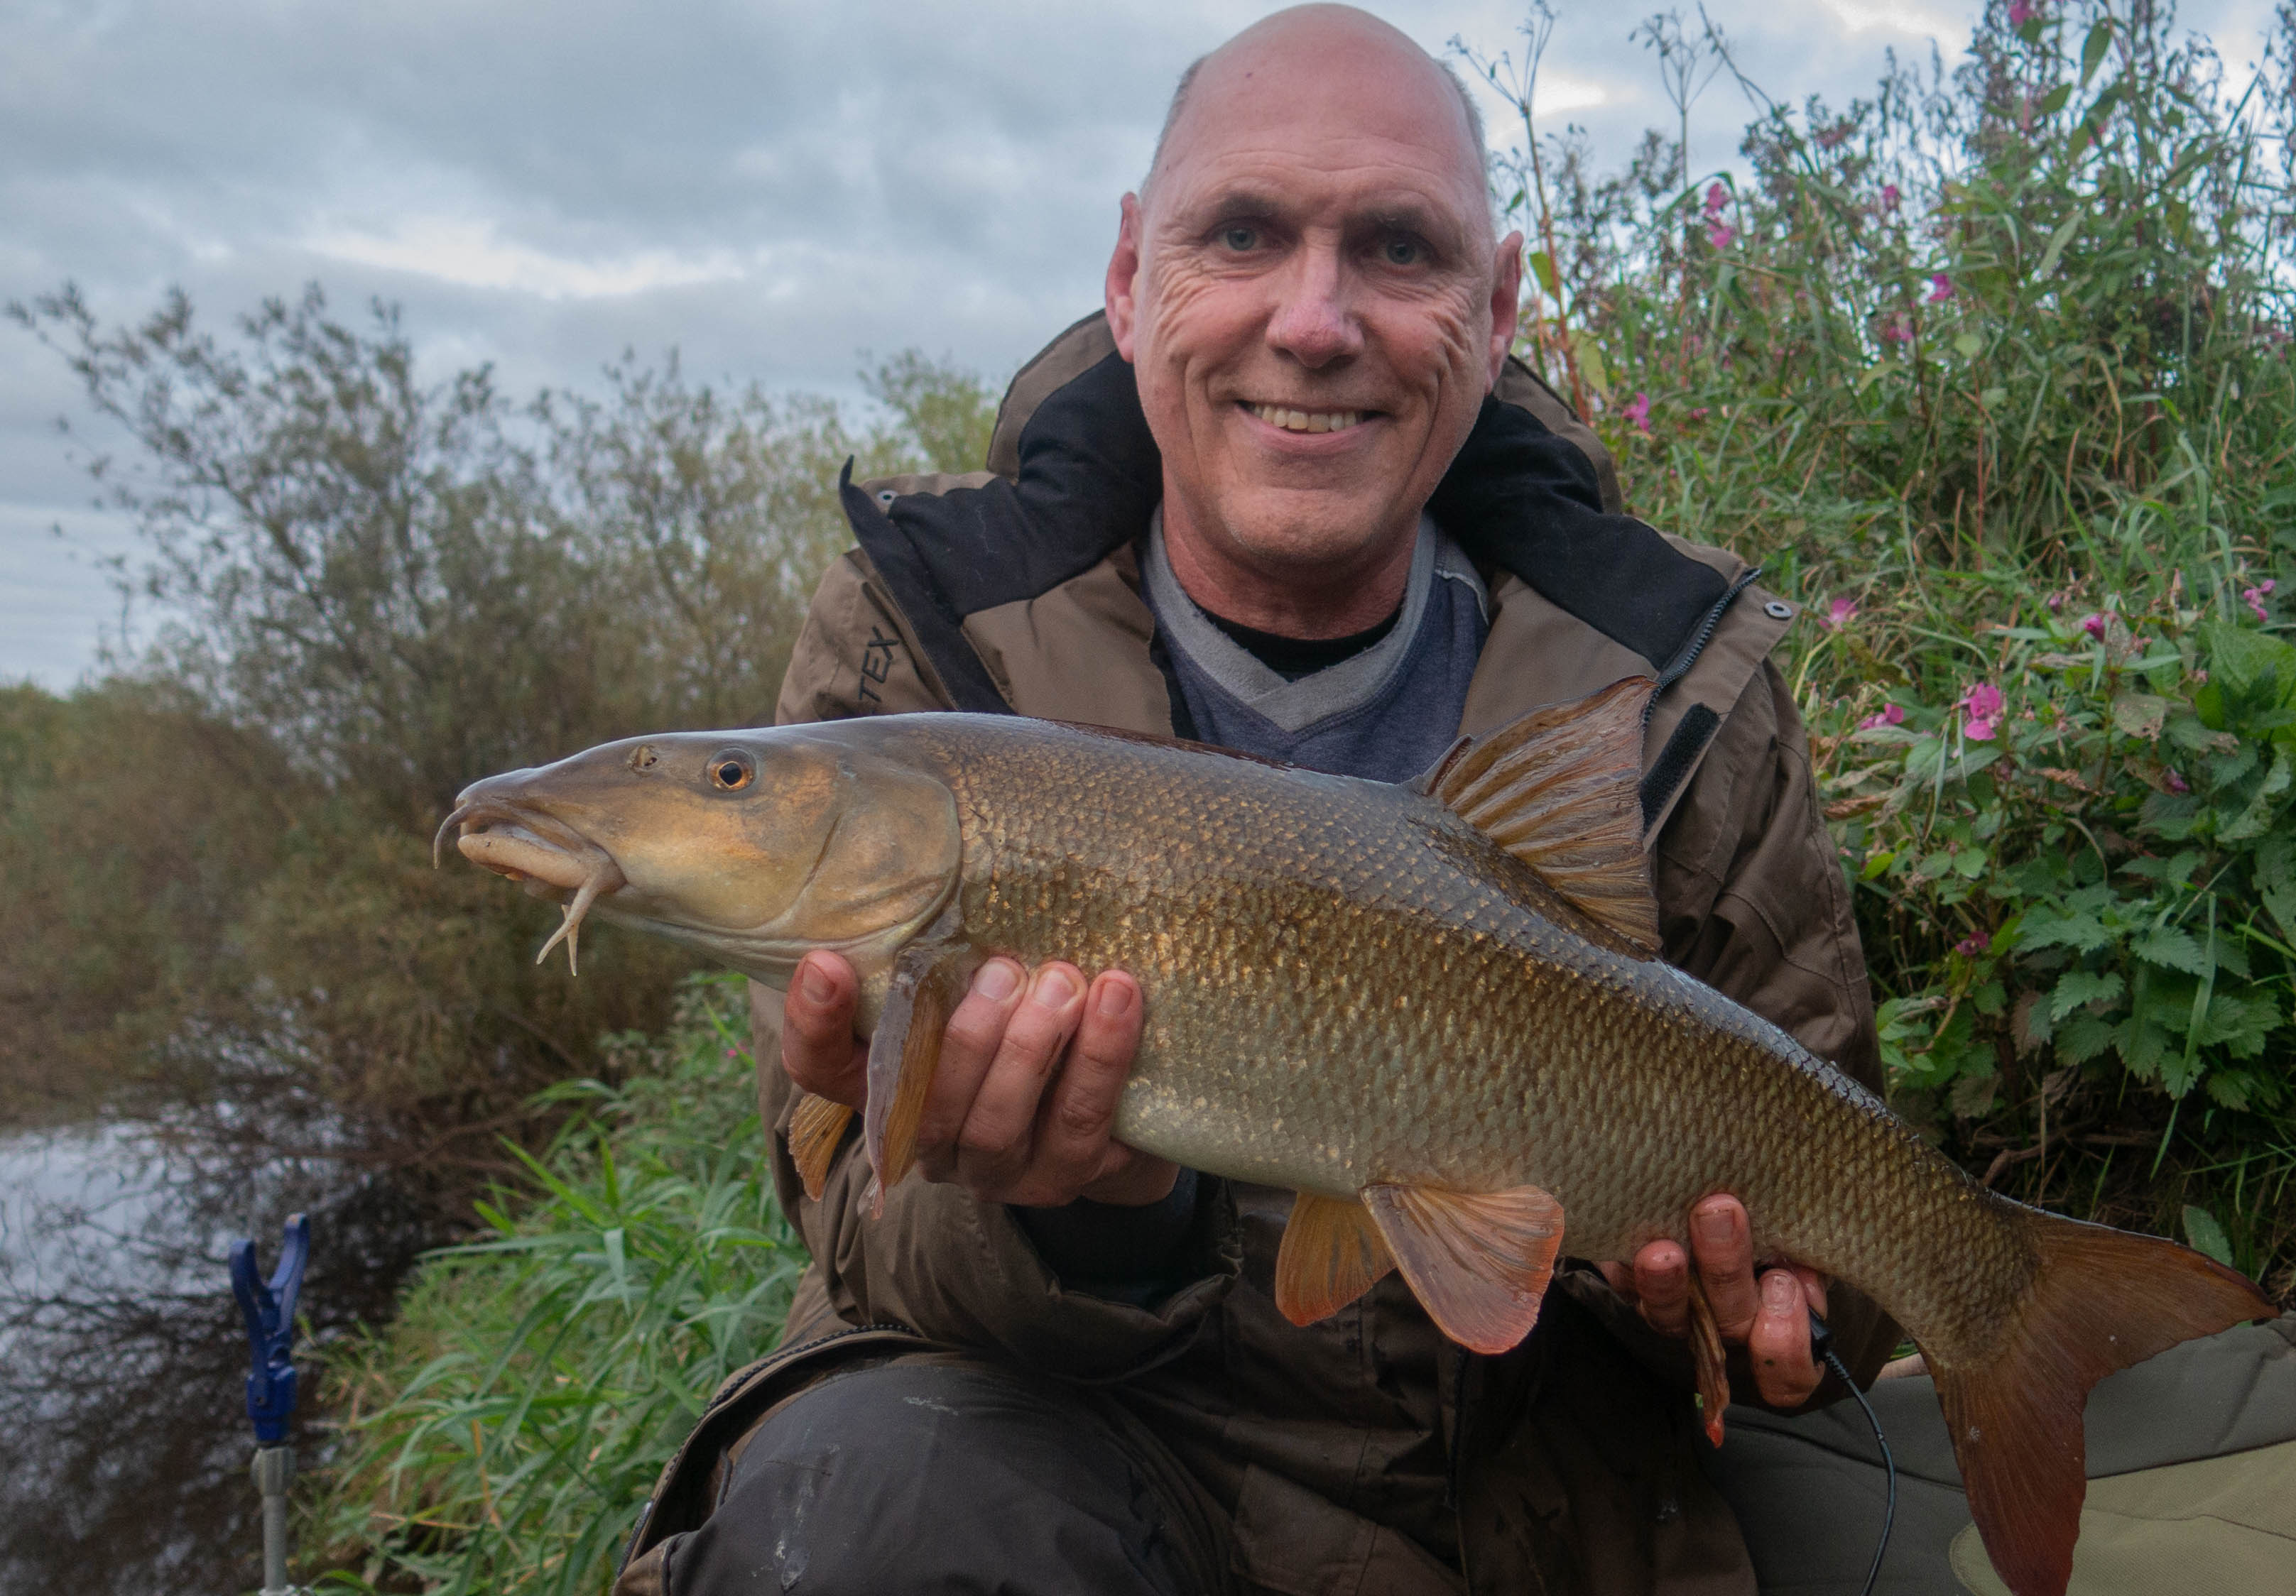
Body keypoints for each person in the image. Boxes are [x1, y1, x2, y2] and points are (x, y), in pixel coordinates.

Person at [614, 9, 1900, 1593]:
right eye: (1241, 234)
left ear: (1493, 311)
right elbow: (856, 1232)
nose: (1313, 319)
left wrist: (1748, 1307)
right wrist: (1081, 1217)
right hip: (1094, 1457)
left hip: (1545, 1488)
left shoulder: (1667, 670)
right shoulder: (915, 641)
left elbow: (1850, 1221)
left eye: (1395, 248)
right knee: (863, 1495)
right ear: (1128, 277)